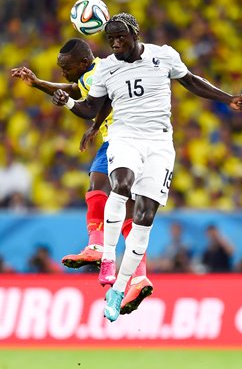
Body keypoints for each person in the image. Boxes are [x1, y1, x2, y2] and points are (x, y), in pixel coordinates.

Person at [52, 13, 242, 322]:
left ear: (135, 34)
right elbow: (94, 106)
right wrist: (68, 104)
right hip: (125, 136)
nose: (116, 43)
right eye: (111, 40)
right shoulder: (106, 67)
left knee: (144, 216)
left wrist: (227, 99)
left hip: (160, 143)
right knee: (119, 183)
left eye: (121, 37)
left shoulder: (164, 55)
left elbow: (191, 81)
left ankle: (120, 288)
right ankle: (107, 258)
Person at [11, 38, 153, 314]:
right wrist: (38, 83)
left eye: (65, 67)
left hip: (123, 138)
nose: (62, 72)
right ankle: (138, 275)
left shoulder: (99, 72)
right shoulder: (97, 71)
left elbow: (95, 102)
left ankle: (98, 246)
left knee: (99, 186)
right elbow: (77, 88)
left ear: (82, 63)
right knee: (124, 207)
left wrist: (93, 125)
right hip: (142, 140)